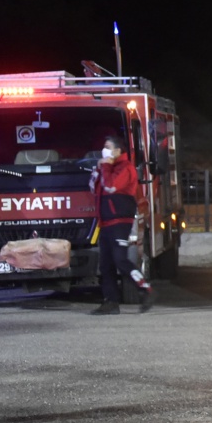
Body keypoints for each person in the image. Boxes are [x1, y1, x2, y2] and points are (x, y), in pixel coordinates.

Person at [90, 135, 152, 315]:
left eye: (108, 147)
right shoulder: (106, 168)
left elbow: (110, 186)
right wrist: (99, 170)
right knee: (106, 264)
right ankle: (111, 302)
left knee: (121, 260)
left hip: (119, 221)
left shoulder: (125, 168)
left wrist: (106, 166)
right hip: (106, 221)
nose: (104, 150)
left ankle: (145, 289)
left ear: (117, 151)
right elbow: (95, 188)